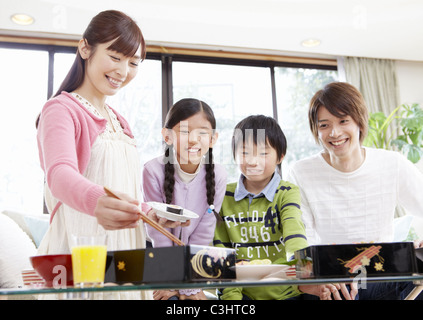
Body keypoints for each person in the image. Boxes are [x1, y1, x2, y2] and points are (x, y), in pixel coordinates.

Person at [36, 10, 151, 299]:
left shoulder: (120, 121)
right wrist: (97, 200)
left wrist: (149, 213)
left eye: (133, 63)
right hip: (80, 250)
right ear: (85, 48)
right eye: (115, 57)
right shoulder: (61, 110)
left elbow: (124, 190)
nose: (124, 72)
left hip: (125, 255)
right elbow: (59, 175)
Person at [286, 81, 423, 300]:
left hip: (382, 276)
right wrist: (318, 280)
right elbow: (303, 240)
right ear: (316, 130)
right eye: (324, 125)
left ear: (359, 121)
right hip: (331, 277)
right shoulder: (300, 172)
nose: (335, 132)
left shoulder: (391, 164)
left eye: (343, 121)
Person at [213, 115, 331, 300]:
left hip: (288, 292)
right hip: (244, 295)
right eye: (244, 152)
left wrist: (303, 273)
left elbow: (295, 233)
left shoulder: (287, 191)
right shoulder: (222, 196)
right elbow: (222, 254)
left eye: (263, 153)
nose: (253, 161)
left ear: (280, 156)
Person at [142, 98, 227, 300]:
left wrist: (191, 287)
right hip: (156, 255)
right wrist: (171, 283)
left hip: (194, 261)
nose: (193, 140)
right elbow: (158, 232)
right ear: (167, 136)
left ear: (213, 138)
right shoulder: (152, 170)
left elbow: (205, 231)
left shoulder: (219, 175)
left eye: (203, 133)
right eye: (185, 131)